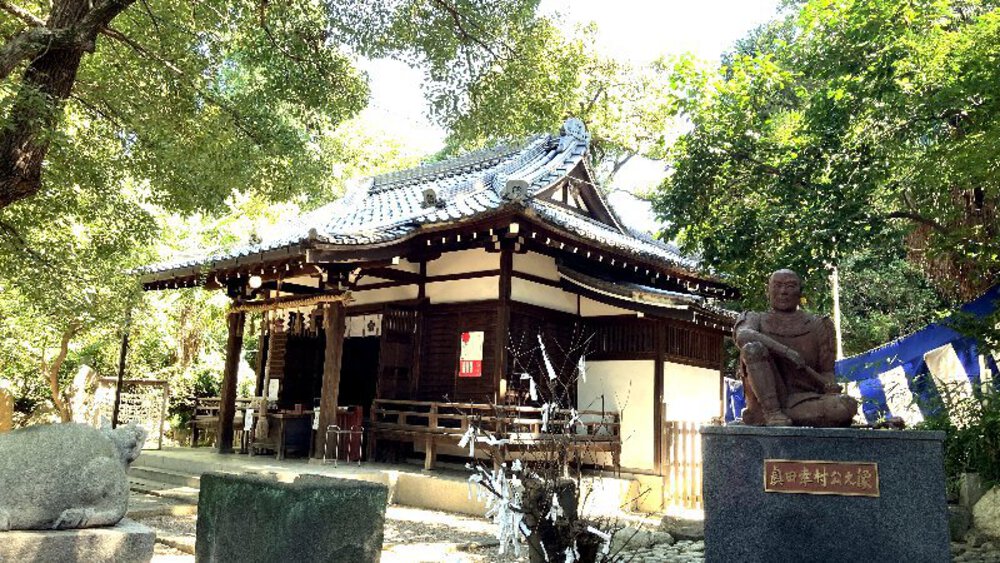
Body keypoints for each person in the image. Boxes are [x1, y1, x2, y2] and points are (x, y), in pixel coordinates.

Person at [735, 269, 857, 427]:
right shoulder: (754, 319)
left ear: (800, 292)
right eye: (777, 286)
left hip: (804, 400)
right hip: (765, 400)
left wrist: (830, 387)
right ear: (768, 291)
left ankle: (784, 416)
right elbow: (743, 335)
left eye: (790, 286)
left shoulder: (818, 325)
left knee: (844, 407)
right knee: (752, 349)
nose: (783, 292)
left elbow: (826, 372)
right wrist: (786, 352)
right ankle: (772, 414)